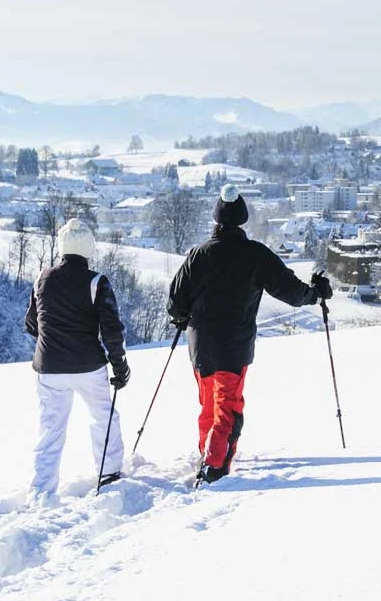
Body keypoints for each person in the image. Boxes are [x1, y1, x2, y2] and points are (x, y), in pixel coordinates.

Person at [167, 184, 332, 484]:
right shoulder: (255, 255)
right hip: (234, 346)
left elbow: (175, 301)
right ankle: (214, 468)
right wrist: (316, 295)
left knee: (208, 404)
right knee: (227, 406)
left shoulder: (198, 255)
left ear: (216, 218)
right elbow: (290, 291)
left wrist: (182, 317)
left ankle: (207, 451)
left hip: (200, 346)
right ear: (242, 218)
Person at [25, 218, 131, 503]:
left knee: (50, 428)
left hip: (48, 367)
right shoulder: (97, 282)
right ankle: (108, 475)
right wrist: (119, 365)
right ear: (89, 249)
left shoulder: (41, 279)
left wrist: (54, 338)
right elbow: (111, 330)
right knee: (103, 416)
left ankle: (41, 490)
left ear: (61, 248)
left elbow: (32, 324)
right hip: (88, 365)